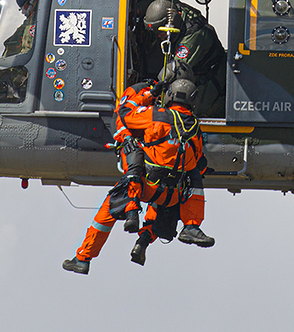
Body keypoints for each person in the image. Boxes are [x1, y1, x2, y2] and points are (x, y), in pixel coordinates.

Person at [62, 75, 214, 275]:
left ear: (169, 96)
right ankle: (166, 233)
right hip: (172, 194)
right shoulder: (194, 127)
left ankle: (83, 258)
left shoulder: (155, 115)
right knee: (187, 180)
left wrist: (149, 92)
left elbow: (124, 112)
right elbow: (198, 161)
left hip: (144, 186)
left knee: (106, 214)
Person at [138, 0, 226, 117]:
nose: (160, 37)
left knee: (196, 112)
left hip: (212, 76)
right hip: (198, 72)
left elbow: (176, 70)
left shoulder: (193, 35)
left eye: (162, 34)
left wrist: (154, 90)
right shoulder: (173, 12)